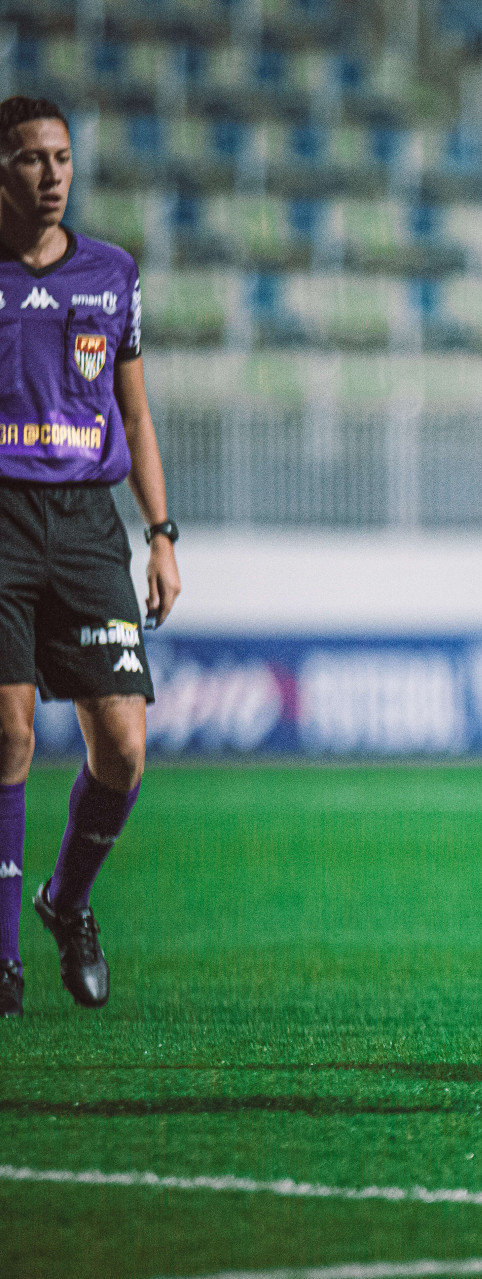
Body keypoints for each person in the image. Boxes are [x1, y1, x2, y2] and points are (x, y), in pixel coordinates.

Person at [0, 97, 181, 1019]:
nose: (52, 174)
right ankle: (3, 961)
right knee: (11, 731)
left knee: (124, 748)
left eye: (62, 157)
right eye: (32, 159)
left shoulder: (112, 274)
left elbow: (136, 413)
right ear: (2, 171)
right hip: (1, 517)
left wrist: (160, 532)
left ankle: (65, 902)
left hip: (87, 525)